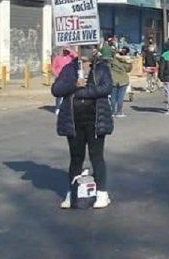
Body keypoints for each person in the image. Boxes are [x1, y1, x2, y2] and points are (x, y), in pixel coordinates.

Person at [51, 47, 114, 209]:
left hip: (95, 120)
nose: (85, 53)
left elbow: (106, 88)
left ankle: (102, 193)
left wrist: (82, 92)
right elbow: (56, 90)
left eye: (88, 49)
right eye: (82, 49)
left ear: (94, 51)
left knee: (96, 157)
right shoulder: (69, 68)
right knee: (76, 158)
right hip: (74, 121)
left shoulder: (101, 68)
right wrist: (74, 85)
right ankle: (72, 193)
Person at [51, 47, 77, 114]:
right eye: (64, 50)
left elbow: (76, 57)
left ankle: (67, 107)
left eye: (67, 51)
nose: (66, 52)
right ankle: (58, 107)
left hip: (68, 78)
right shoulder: (57, 58)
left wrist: (71, 50)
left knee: (69, 93)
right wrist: (57, 75)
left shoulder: (70, 58)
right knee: (59, 93)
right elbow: (53, 68)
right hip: (59, 77)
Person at [109, 47, 133, 118]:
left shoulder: (114, 59)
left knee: (113, 97)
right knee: (120, 97)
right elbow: (128, 70)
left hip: (113, 79)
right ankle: (119, 112)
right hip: (123, 80)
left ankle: (112, 112)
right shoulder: (127, 60)